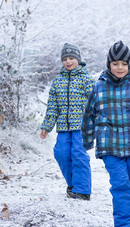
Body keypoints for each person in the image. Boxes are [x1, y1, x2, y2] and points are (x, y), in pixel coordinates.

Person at [81, 40, 130, 227]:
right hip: (109, 144)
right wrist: (88, 140)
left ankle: (129, 207)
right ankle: (124, 223)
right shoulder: (98, 88)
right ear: (109, 65)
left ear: (129, 65)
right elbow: (89, 114)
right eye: (115, 64)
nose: (120, 67)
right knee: (121, 183)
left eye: (123, 64)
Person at [40, 43, 94, 201]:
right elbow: (52, 107)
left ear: (78, 59)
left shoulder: (86, 80)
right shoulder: (57, 82)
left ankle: (83, 190)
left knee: (78, 154)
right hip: (63, 126)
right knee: (61, 153)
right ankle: (72, 184)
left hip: (81, 127)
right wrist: (47, 126)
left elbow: (95, 103)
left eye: (71, 58)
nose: (68, 62)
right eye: (65, 59)